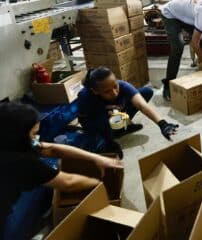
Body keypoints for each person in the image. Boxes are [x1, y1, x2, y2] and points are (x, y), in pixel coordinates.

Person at [0, 102, 124, 238]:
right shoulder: (20, 160)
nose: (36, 138)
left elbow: (50, 148)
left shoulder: (10, 140)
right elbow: (68, 182)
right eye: (34, 134)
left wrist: (95, 158)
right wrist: (98, 185)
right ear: (19, 137)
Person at [77, 67, 179, 157]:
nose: (114, 92)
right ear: (95, 91)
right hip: (95, 120)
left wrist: (162, 124)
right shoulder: (85, 96)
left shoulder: (123, 85)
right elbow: (85, 121)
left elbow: (141, 105)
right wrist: (108, 141)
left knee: (146, 92)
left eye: (115, 86)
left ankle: (122, 127)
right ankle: (109, 139)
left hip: (115, 113)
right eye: (107, 91)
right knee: (103, 120)